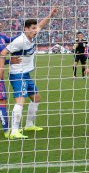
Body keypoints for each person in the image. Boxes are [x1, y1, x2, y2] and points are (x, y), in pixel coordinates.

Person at [0, 7, 58, 139]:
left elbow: (41, 24)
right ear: (25, 29)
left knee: (36, 98)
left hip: (26, 73)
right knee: (20, 100)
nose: (34, 30)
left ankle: (29, 124)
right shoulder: (19, 41)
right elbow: (2, 53)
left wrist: (51, 14)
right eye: (32, 28)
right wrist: (2, 70)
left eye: (35, 28)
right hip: (17, 74)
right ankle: (14, 131)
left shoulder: (33, 34)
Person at [0, 24, 21, 138]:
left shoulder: (2, 37)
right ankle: (6, 130)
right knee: (2, 102)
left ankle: (7, 129)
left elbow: (14, 39)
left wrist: (26, 32)